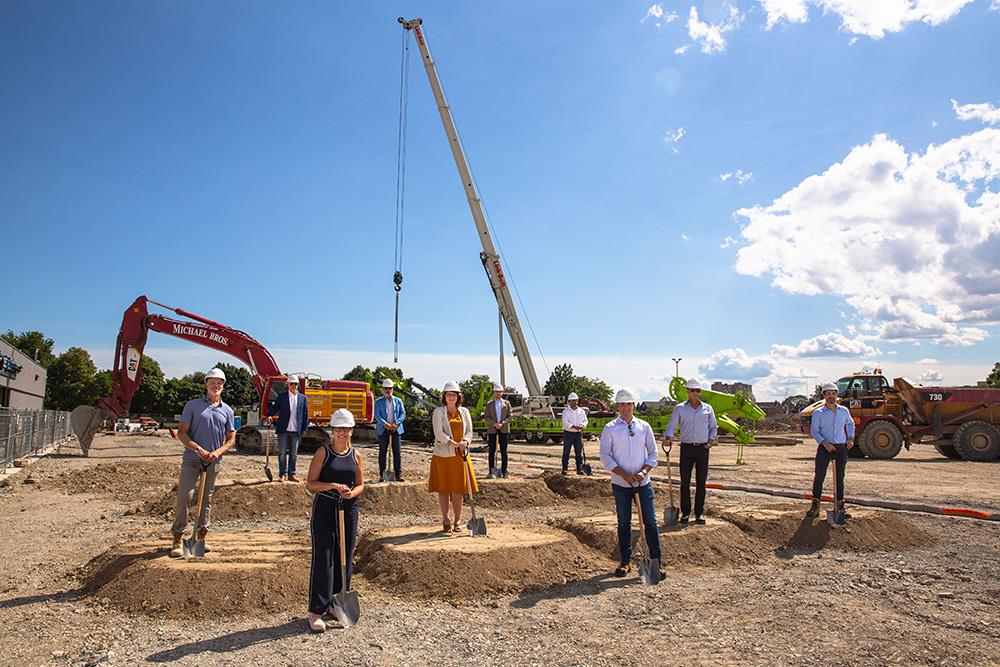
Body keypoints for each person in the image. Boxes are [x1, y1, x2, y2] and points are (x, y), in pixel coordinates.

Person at [305, 408, 365, 633]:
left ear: (351, 431)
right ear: (332, 430)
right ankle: (316, 610)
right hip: (325, 508)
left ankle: (336, 603)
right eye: (338, 428)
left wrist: (353, 493)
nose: (342, 433)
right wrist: (331, 486)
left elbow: (361, 484)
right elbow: (311, 484)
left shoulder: (356, 454)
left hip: (349, 509)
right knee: (325, 557)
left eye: (346, 429)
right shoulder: (323, 453)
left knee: (345, 556)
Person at [170, 368, 236, 558]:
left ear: (223, 386)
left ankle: (200, 537)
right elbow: (182, 433)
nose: (216, 385)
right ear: (206, 384)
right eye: (212, 382)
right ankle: (177, 536)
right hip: (192, 459)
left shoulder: (227, 411)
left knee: (206, 499)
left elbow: (231, 439)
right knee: (185, 495)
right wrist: (198, 449)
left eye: (219, 383)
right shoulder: (192, 406)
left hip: (213, 462)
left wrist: (217, 452)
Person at [599, 388, 663, 578]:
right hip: (621, 485)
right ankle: (625, 561)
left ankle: (655, 561)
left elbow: (653, 454)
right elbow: (605, 455)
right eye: (622, 404)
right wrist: (624, 474)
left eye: (629, 404)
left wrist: (643, 472)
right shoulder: (610, 428)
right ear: (617, 406)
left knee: (650, 522)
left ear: (633, 405)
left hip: (643, 485)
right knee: (624, 523)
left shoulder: (644, 427)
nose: (625, 407)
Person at [662, 379, 718, 525]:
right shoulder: (680, 409)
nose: (695, 393)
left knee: (701, 482)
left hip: (702, 449)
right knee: (684, 482)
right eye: (692, 390)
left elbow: (713, 427)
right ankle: (686, 513)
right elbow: (672, 425)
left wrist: (711, 441)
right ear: (687, 392)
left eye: (698, 390)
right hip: (686, 448)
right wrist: (668, 437)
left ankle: (699, 514)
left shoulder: (708, 409)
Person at [429, 381, 478, 532]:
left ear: (458, 397)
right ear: (444, 396)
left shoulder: (464, 412)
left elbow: (470, 430)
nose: (451, 397)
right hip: (443, 455)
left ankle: (457, 521)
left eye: (454, 395)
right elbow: (438, 432)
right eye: (448, 394)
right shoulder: (438, 412)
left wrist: (465, 441)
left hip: (460, 456)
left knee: (458, 490)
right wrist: (452, 442)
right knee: (443, 489)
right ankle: (446, 520)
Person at [807, 382, 855, 519]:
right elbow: (814, 431)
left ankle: (840, 507)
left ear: (836, 395)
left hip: (840, 448)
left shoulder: (844, 411)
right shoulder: (818, 413)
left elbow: (850, 423)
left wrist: (851, 438)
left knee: (840, 477)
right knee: (819, 476)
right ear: (824, 396)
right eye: (828, 394)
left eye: (833, 393)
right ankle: (815, 507)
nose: (831, 396)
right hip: (825, 447)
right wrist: (825, 443)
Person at [267, 374, 309, 482]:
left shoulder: (303, 399)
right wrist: (269, 415)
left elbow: (305, 415)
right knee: (281, 453)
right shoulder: (282, 396)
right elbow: (275, 407)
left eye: (295, 384)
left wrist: (305, 429)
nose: (293, 386)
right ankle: (282, 474)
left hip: (296, 430)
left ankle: (292, 474)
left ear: (298, 385)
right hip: (283, 430)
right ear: (288, 384)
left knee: (293, 454)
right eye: (291, 384)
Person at [374, 378, 406, 482]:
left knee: (397, 452)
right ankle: (382, 474)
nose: (388, 390)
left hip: (396, 429)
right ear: (383, 389)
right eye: (386, 388)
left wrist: (397, 423)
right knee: (382, 452)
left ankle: (398, 474)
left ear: (393, 389)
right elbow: (377, 415)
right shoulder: (378, 402)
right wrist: (385, 424)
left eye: (390, 388)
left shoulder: (398, 401)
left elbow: (403, 413)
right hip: (383, 430)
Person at [484, 384, 511, 478]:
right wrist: (495, 424)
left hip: (504, 429)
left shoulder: (506, 403)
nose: (498, 393)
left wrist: (502, 423)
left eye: (500, 392)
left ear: (502, 392)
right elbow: (486, 417)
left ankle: (504, 471)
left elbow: (510, 416)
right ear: (493, 392)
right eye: (496, 391)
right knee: (491, 450)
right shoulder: (489, 404)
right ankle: (491, 471)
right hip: (492, 429)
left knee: (504, 451)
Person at [561, 392, 589, 475]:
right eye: (571, 401)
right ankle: (564, 469)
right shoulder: (566, 411)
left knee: (578, 452)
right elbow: (565, 422)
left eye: (575, 400)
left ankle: (579, 469)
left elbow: (585, 421)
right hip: (568, 433)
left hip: (578, 434)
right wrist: (573, 426)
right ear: (569, 402)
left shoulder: (581, 411)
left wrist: (582, 426)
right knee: (566, 452)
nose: (573, 402)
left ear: (577, 401)